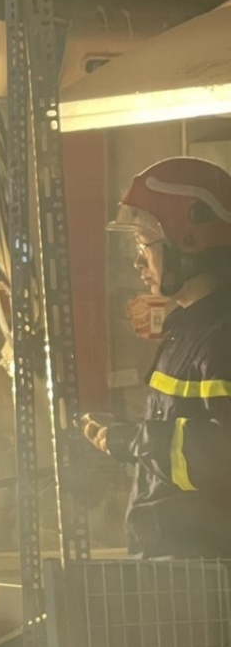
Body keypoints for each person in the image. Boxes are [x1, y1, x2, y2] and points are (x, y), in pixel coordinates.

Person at [81, 157, 231, 560]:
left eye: (143, 244)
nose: (137, 262)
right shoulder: (188, 329)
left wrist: (133, 441)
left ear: (188, 241)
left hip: (207, 573)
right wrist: (127, 436)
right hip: (172, 566)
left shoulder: (222, 336)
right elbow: (180, 432)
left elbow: (224, 455)